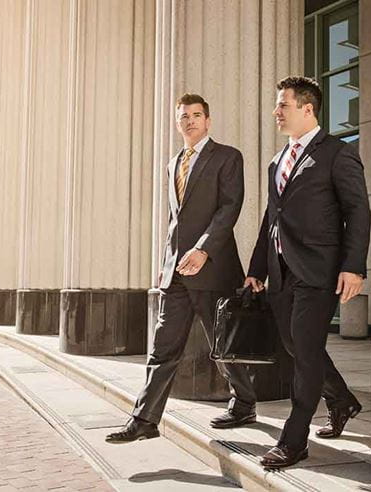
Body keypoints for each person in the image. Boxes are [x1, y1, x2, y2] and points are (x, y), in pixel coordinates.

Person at [106, 93, 257, 443]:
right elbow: (175, 221)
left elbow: (229, 209)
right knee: (163, 348)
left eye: (196, 115)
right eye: (184, 116)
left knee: (222, 344)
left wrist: (203, 249)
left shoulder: (227, 157)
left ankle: (245, 402)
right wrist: (165, 264)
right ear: (178, 122)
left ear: (208, 120)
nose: (190, 120)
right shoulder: (173, 162)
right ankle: (144, 420)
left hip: (212, 268)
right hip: (175, 274)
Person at [245, 76, 371, 469]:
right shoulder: (276, 160)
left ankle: (294, 439)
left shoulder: (337, 153)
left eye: (283, 105)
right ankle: (342, 400)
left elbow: (358, 211)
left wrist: (353, 266)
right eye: (276, 104)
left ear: (307, 108)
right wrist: (258, 267)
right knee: (300, 347)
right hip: (282, 272)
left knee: (304, 351)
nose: (276, 112)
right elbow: (272, 216)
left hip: (320, 271)